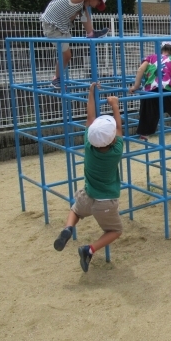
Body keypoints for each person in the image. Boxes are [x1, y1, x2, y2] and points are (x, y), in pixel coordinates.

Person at [53, 82, 124, 272]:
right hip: (105, 202)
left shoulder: (88, 146)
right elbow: (119, 129)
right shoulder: (116, 151)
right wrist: (115, 105)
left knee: (75, 211)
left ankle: (68, 228)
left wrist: (91, 92)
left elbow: (90, 117)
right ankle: (89, 249)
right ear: (112, 140)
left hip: (88, 193)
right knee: (115, 230)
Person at [40, 0, 113, 88]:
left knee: (83, 11)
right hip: (53, 27)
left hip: (58, 26)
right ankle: (56, 79)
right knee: (67, 55)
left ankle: (91, 33)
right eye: (98, 1)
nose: (96, 5)